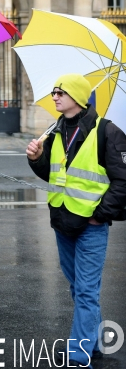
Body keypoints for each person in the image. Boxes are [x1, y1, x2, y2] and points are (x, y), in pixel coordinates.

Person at [26, 74, 126, 369]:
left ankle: (78, 354)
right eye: (54, 91)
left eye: (60, 92)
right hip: (62, 220)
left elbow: (122, 181)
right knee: (77, 288)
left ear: (78, 96)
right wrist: (37, 158)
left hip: (91, 225)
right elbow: (53, 175)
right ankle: (92, 343)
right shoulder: (55, 130)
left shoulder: (106, 131)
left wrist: (100, 214)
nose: (54, 96)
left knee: (85, 291)